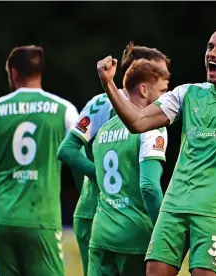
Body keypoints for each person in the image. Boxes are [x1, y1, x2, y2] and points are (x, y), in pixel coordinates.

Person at [97, 29, 216, 276]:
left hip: (215, 210)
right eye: (210, 47)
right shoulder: (187, 93)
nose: (212, 53)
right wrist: (108, 83)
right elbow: (137, 121)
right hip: (174, 204)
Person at [57, 42, 170, 275]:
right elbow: (67, 150)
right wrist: (101, 175)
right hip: (104, 211)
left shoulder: (124, 119)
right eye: (157, 73)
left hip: (108, 217)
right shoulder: (104, 104)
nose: (164, 81)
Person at [0, 45, 79, 275]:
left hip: (2, 218)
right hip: (41, 219)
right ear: (40, 71)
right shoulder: (65, 110)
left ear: (13, 73)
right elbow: (79, 165)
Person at [88, 59, 170, 275]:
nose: (166, 98)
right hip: (134, 237)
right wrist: (165, 233)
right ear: (143, 90)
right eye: (163, 91)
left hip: (101, 234)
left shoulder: (103, 131)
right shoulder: (152, 128)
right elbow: (149, 187)